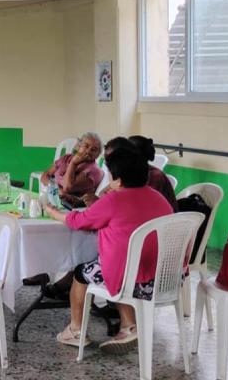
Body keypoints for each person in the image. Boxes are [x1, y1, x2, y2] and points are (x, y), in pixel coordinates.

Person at [45, 147, 173, 353]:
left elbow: (79, 221)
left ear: (118, 179)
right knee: (117, 262)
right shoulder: (158, 198)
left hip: (133, 280)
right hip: (164, 277)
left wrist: (53, 212)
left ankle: (75, 330)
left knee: (82, 272)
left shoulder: (115, 199)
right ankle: (128, 325)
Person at [40, 132, 104, 208]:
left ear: (98, 155)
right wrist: (53, 187)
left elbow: (67, 188)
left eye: (93, 149)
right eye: (86, 146)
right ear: (78, 146)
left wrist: (73, 164)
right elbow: (45, 175)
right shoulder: (66, 158)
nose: (88, 151)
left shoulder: (94, 171)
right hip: (53, 200)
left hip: (72, 208)